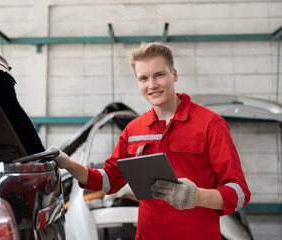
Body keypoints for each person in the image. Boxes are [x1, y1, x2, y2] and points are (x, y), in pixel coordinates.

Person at [49, 42, 251, 239]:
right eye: (143, 78)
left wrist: (197, 197)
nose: (152, 85)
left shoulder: (210, 124)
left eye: (159, 75)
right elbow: (107, 180)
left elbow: (240, 192)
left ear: (174, 74)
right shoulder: (134, 130)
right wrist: (67, 163)